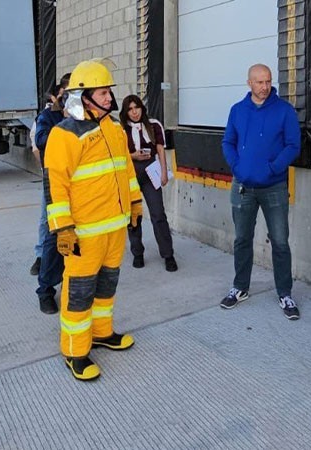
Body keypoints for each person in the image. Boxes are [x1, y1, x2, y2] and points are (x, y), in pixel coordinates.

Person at [45, 59, 142, 381]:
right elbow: (56, 184)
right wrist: (63, 227)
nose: (108, 98)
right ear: (83, 96)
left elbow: (125, 170)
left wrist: (136, 203)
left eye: (108, 92)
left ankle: (102, 332)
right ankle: (74, 351)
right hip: (83, 233)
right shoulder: (64, 134)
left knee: (106, 286)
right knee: (80, 292)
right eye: (102, 92)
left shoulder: (113, 127)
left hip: (115, 227)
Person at [220, 63, 301, 320]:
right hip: (243, 186)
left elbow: (292, 145)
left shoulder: (284, 111)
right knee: (242, 239)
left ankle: (285, 293)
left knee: (279, 241)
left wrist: (273, 168)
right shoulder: (237, 110)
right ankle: (240, 288)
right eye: (259, 82)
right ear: (249, 83)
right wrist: (237, 166)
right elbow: (228, 142)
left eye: (267, 81)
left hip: (274, 187)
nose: (265, 87)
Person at [120, 94, 178, 272]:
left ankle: (168, 255)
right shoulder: (120, 129)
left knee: (158, 214)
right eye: (130, 109)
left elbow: (160, 149)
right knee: (134, 215)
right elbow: (118, 154)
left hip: (150, 171)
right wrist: (133, 156)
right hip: (131, 172)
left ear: (141, 107)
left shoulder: (153, 124)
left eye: (136, 107)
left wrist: (163, 171)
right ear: (125, 111)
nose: (134, 112)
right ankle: (137, 253)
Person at [34, 82, 69, 314]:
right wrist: (66, 121)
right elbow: (41, 141)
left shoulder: (86, 117)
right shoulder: (48, 117)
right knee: (52, 237)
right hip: (55, 183)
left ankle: (70, 281)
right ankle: (45, 290)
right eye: (65, 95)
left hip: (79, 185)